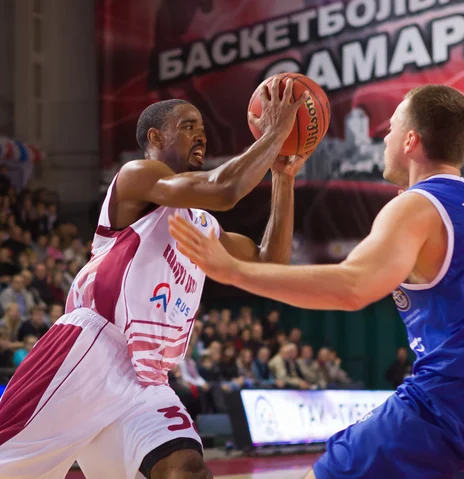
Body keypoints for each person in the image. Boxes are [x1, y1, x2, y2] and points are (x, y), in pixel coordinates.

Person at [169, 84, 464, 478]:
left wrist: (232, 270)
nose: (384, 138)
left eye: (390, 128)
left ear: (410, 140)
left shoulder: (417, 205)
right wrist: (283, 180)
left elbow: (352, 287)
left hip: (460, 399)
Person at [0, 76, 310, 479]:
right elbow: (226, 188)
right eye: (188, 126)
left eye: (202, 128)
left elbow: (272, 265)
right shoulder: (136, 177)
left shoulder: (203, 224)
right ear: (155, 135)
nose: (201, 135)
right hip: (90, 349)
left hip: (146, 376)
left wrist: (283, 178)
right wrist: (275, 133)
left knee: (187, 468)